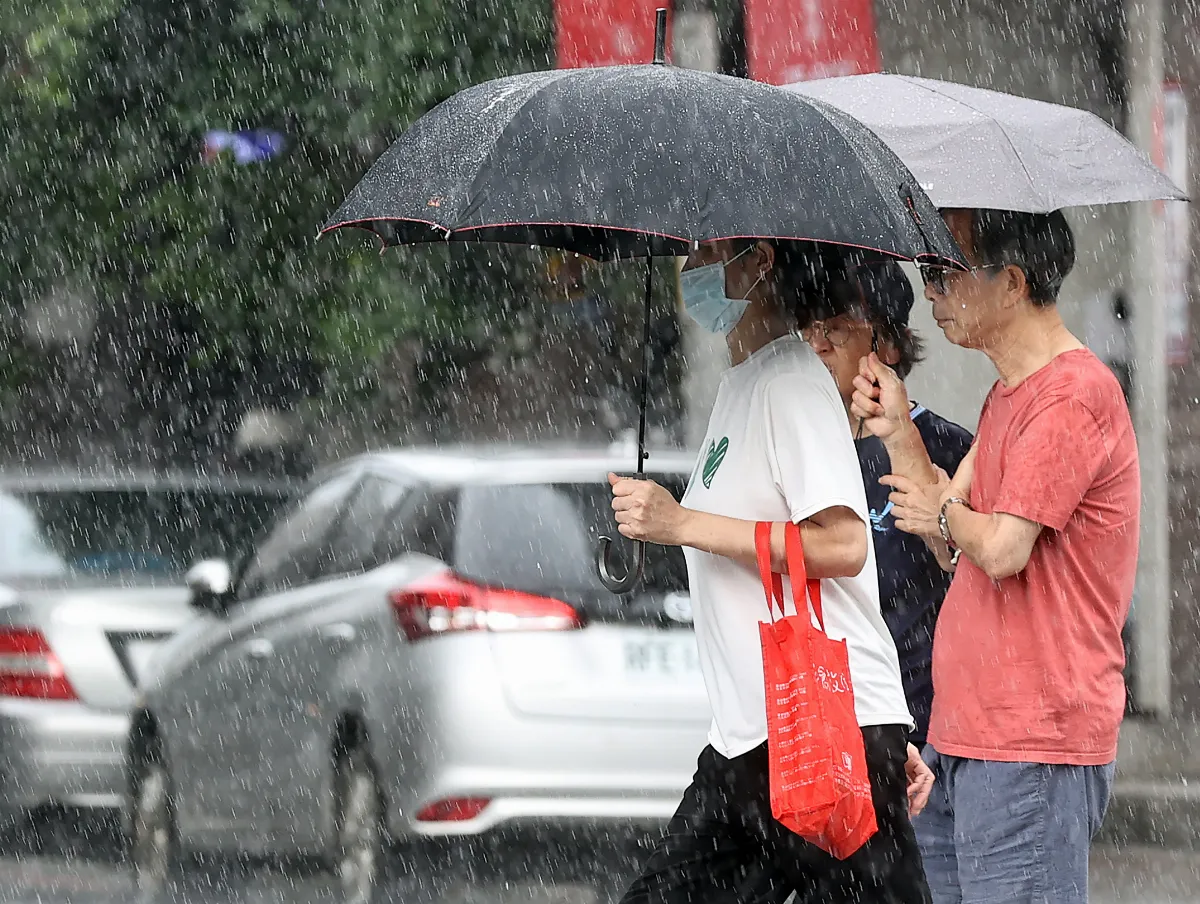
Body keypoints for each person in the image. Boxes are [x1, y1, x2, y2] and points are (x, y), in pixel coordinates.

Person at [607, 239, 934, 904]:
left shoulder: (789, 380)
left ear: (759, 263)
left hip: (814, 727)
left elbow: (843, 543)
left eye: (710, 250)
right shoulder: (746, 383)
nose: (692, 264)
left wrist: (681, 525)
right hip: (754, 740)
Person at [851, 209, 1140, 904]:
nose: (933, 295)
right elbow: (952, 540)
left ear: (1011, 283)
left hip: (1031, 745)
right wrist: (896, 428)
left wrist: (947, 516)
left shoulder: (1071, 397)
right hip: (968, 738)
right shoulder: (1011, 396)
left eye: (946, 275)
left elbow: (1002, 547)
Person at [801, 261, 972, 749]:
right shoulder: (809, 450)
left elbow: (978, 572)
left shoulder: (943, 446)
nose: (818, 346)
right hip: (828, 716)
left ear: (890, 347)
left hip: (923, 720)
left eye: (836, 329)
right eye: (812, 329)